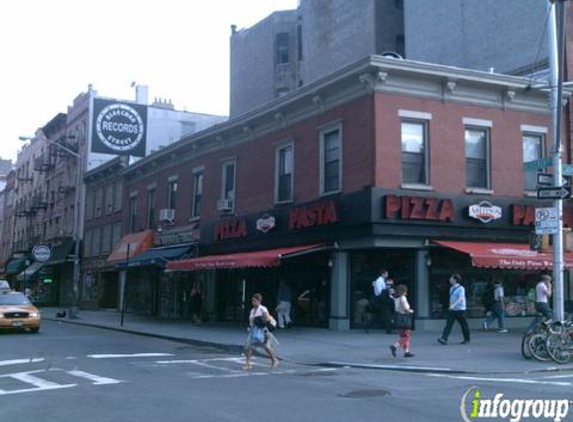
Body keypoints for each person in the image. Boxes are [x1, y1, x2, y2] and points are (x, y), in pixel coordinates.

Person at [243, 293, 279, 370]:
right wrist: (250, 327)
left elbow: (268, 319)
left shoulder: (263, 309)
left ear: (259, 301)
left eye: (255, 301)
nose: (253, 302)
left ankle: (274, 360)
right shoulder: (252, 310)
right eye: (252, 301)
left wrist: (259, 319)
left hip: (263, 331)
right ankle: (247, 364)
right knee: (250, 347)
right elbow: (251, 322)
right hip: (254, 331)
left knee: (266, 347)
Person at [437, 273, 470, 345]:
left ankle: (467, 339)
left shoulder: (461, 288)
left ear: (455, 280)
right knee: (448, 325)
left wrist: (454, 305)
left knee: (463, 325)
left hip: (460, 310)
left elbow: (461, 298)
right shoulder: (451, 288)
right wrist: (450, 306)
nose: (450, 279)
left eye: (451, 278)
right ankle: (444, 338)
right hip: (452, 310)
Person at [390, 284, 415, 358]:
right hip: (404, 319)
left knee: (403, 336)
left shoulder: (396, 299)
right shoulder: (403, 298)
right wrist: (411, 311)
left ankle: (407, 352)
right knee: (406, 336)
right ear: (403, 291)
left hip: (398, 319)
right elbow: (405, 308)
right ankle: (394, 346)